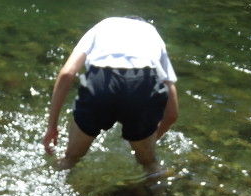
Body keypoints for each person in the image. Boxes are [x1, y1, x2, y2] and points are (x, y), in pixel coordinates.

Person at [42, 16, 179, 180]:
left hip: (100, 83)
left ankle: (49, 188)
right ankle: (159, 192)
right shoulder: (153, 34)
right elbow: (172, 114)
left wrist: (52, 127)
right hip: (142, 83)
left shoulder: (102, 26)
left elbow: (66, 73)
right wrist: (147, 140)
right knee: (150, 165)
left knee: (69, 160)